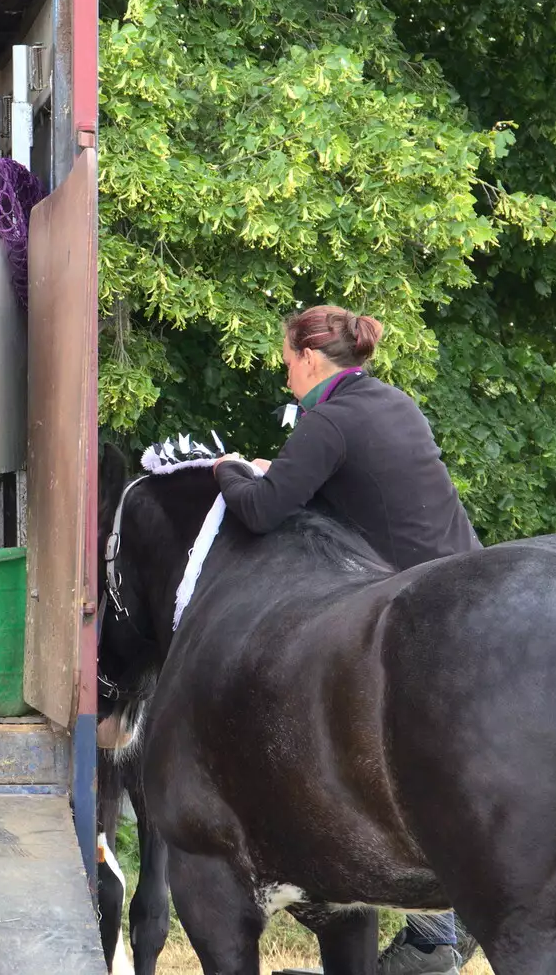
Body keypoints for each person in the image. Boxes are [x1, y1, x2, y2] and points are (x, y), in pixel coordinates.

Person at [212, 305, 480, 975]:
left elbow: (262, 511)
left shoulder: (327, 418)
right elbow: (345, 492)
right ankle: (442, 924)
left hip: (417, 603)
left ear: (308, 355)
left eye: (285, 358)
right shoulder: (391, 403)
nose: (284, 371)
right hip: (468, 576)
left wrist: (227, 469)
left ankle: (438, 929)